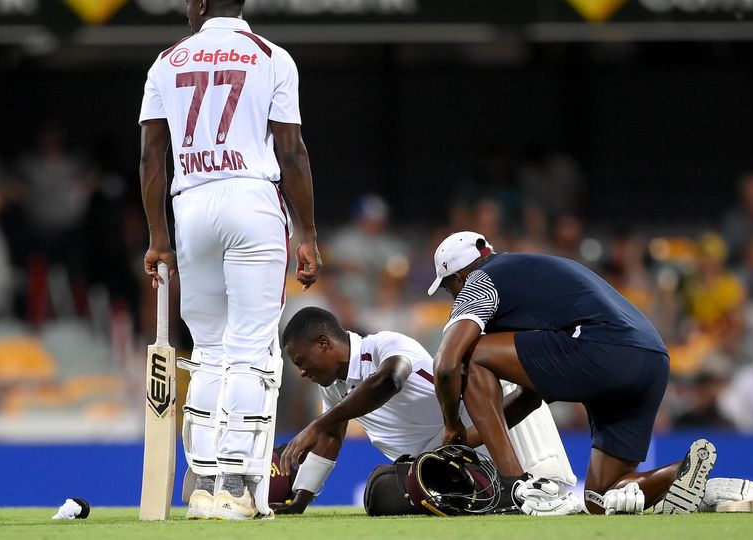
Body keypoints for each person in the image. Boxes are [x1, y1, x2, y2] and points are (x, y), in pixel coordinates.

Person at [138, 0, 321, 520]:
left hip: (189, 204)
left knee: (209, 349)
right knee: (249, 348)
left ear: (197, 5)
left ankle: (203, 484)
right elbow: (292, 152)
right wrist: (306, 233)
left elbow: (153, 154)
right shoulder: (271, 56)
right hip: (252, 200)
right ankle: (238, 486)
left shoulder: (166, 60)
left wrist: (157, 238)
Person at [428, 231, 716, 515]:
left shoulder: (480, 280)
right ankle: (682, 474)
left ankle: (512, 488)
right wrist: (466, 440)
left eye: (447, 288)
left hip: (603, 348)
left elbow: (446, 365)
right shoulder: (530, 276)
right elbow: (528, 398)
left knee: (473, 352)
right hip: (652, 360)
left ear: (459, 277)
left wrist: (452, 426)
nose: (451, 296)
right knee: (601, 497)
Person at [274, 306, 583, 516]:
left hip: (493, 437)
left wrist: (315, 425)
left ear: (324, 343)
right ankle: (489, 495)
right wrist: (301, 498)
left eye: (301, 362)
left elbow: (388, 381)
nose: (301, 372)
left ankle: (538, 484)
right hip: (437, 468)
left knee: (497, 381)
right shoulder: (331, 386)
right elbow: (330, 437)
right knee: (378, 493)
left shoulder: (384, 344)